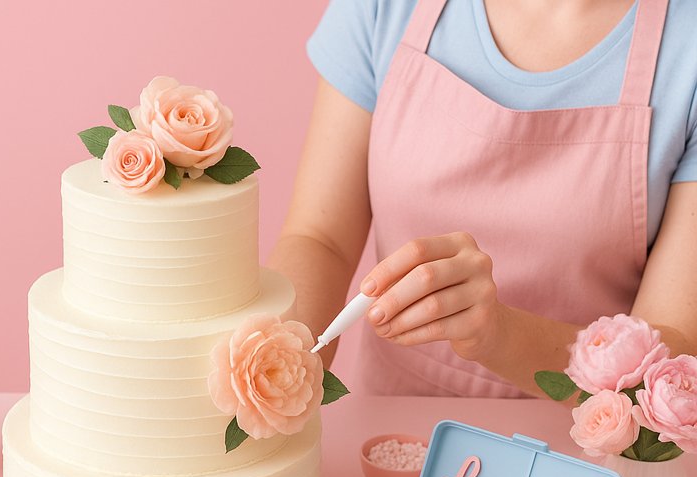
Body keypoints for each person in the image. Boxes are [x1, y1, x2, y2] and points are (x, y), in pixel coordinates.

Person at [266, 0, 697, 397]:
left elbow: (671, 352)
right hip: (390, 440)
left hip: (588, 457)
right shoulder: (386, 8)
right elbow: (321, 238)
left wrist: (499, 334)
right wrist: (278, 367)